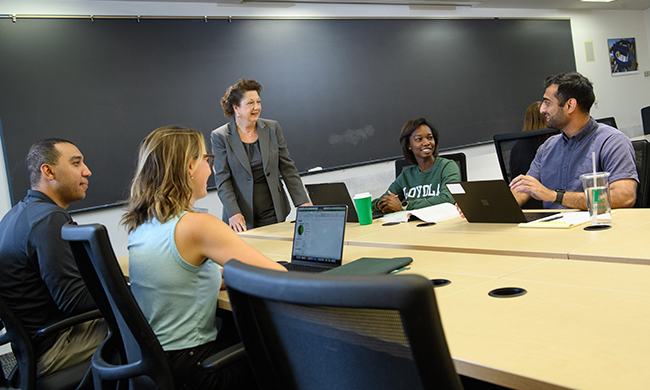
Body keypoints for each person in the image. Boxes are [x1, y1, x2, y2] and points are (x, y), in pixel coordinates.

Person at [121, 126, 286, 390]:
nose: (210, 169)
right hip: (196, 370)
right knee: (286, 349)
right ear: (189, 167)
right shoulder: (197, 226)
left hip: (153, 366)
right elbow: (278, 277)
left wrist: (220, 277)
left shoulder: (143, 225)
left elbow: (181, 279)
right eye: (207, 160)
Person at [0, 139, 106, 377]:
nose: (87, 170)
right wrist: (131, 290)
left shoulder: (16, 216)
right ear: (48, 171)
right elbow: (74, 301)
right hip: (54, 347)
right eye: (76, 163)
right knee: (150, 321)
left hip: (30, 349)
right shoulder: (49, 218)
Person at [510, 72, 638, 209]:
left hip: (592, 226)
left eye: (547, 103)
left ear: (570, 105)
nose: (542, 109)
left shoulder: (612, 141)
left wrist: (554, 196)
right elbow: (523, 189)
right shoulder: (547, 147)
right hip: (552, 227)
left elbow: (625, 197)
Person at [212, 79, 310, 232]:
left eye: (258, 102)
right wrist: (234, 212)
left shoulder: (272, 128)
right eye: (250, 103)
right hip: (241, 214)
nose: (256, 107)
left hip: (272, 209)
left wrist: (302, 202)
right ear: (236, 108)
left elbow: (287, 168)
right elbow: (222, 179)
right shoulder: (221, 136)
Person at [372, 117, 461, 214]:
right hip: (413, 226)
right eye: (419, 139)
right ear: (408, 145)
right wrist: (382, 204)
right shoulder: (406, 175)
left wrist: (404, 206)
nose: (426, 143)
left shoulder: (448, 166)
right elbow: (378, 203)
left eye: (430, 138)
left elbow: (448, 199)